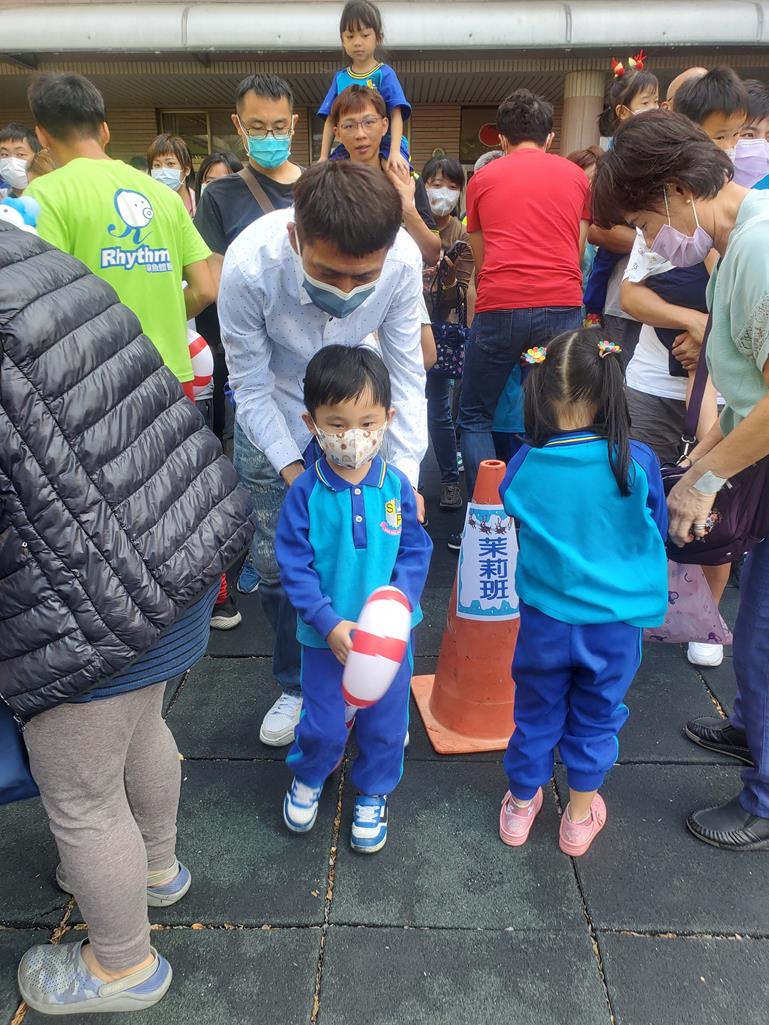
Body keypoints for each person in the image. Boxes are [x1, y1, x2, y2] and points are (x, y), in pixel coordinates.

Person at [1, 222, 253, 1015]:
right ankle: (155, 866)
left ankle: (122, 965)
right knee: (142, 724)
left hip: (88, 601)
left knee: (81, 797)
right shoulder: (21, 249)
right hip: (177, 541)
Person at [592, 109, 769, 849]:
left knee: (762, 633)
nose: (647, 240)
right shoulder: (733, 244)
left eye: (642, 221)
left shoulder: (756, 248)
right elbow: (746, 392)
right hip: (752, 447)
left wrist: (704, 479)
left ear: (676, 190)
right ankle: (750, 728)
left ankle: (764, 799)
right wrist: (701, 462)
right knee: (755, 625)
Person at [218, 160, 427, 747]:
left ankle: (372, 678)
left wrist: (405, 475)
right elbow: (249, 385)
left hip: (357, 409)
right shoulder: (249, 265)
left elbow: (407, 374)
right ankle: (298, 683)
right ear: (295, 237)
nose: (347, 290)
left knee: (373, 553)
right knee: (279, 564)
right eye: (329, 272)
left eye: (363, 276)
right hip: (279, 409)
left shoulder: (403, 261)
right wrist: (293, 470)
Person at [497, 330, 667, 855]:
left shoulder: (525, 463)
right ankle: (576, 817)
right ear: (609, 390)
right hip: (615, 624)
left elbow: (513, 507)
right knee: (596, 717)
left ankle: (521, 805)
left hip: (546, 619)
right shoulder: (635, 461)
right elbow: (656, 528)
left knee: (535, 710)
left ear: (538, 392)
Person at [275, 346, 431, 852]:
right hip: (328, 639)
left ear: (388, 419)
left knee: (386, 724)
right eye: (337, 424)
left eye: (367, 423)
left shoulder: (395, 485)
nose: (353, 436)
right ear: (312, 423)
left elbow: (415, 550)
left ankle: (373, 792)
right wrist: (326, 621)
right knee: (322, 723)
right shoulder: (306, 492)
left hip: (389, 641)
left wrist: (398, 605)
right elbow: (294, 564)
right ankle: (310, 774)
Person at [619, 73, 749, 668]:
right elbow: (632, 294)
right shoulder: (700, 226)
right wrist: (695, 321)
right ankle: (649, 608)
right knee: (648, 496)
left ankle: (705, 622)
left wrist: (703, 476)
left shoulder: (749, 242)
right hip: (668, 389)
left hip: (730, 409)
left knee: (716, 515)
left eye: (739, 135)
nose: (730, 150)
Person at [457, 88, 590, 497]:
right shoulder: (576, 176)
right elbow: (578, 249)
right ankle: (543, 507)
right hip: (561, 308)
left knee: (475, 416)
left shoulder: (482, 179)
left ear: (501, 139)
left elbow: (481, 256)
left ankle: (489, 512)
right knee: (551, 414)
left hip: (501, 308)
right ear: (550, 138)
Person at [194, 74, 303, 483]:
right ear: (238, 126)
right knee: (264, 501)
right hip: (258, 374)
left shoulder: (318, 186)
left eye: (278, 126)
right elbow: (217, 283)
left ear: (293, 124)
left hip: (318, 375)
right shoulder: (220, 196)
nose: (269, 136)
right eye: (257, 127)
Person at [583, 53, 659, 349]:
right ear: (623, 111)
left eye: (656, 101)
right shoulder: (617, 158)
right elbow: (598, 229)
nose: (654, 109)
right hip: (623, 295)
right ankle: (592, 308)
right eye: (646, 102)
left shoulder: (661, 153)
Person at [328, 85, 441, 264]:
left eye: (369, 122)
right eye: (349, 125)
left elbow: (432, 254)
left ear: (384, 125)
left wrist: (407, 207)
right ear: (337, 133)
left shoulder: (408, 180)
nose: (360, 134)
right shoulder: (328, 184)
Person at [421, 155, 474, 511]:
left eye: (452, 187)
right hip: (399, 330)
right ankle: (404, 485)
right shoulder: (407, 224)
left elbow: (461, 295)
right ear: (422, 186)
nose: (443, 193)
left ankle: (450, 482)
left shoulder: (461, 234)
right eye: (436, 184)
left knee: (438, 411)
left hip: (440, 335)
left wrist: (450, 277)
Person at [318, 0, 410, 172]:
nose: (357, 42)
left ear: (378, 38)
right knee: (331, 174)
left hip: (386, 142)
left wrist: (395, 151)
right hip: (351, 146)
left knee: (394, 173)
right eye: (350, 36)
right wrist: (323, 157)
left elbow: (396, 114)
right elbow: (330, 119)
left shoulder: (384, 74)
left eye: (365, 35)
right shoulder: (341, 78)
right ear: (342, 40)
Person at [147, 132, 197, 216]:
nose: (163, 171)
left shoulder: (200, 202)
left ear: (186, 170)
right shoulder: (146, 204)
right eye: (157, 165)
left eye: (170, 164)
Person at [0, 121, 39, 197]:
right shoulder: (3, 196)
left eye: (20, 154)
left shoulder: (51, 195)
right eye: (4, 154)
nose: (12, 161)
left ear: (37, 155)